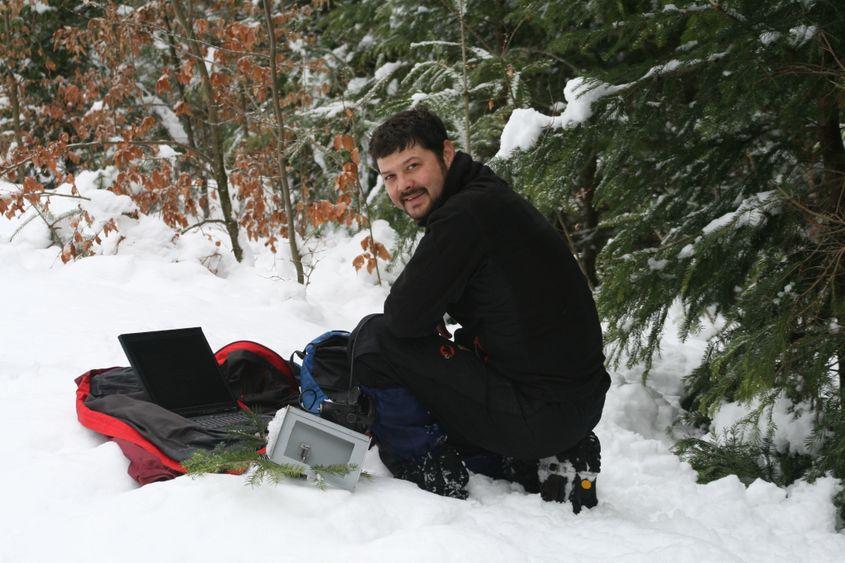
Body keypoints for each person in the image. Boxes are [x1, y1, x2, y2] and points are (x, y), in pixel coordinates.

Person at [349, 107, 610, 511]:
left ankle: (429, 466)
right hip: (573, 402)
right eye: (390, 177)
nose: (403, 186)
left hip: (541, 412)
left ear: (447, 154)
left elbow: (402, 318)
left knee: (375, 340)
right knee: (436, 346)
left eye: (413, 166)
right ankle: (539, 456)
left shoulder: (463, 215)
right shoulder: (486, 197)